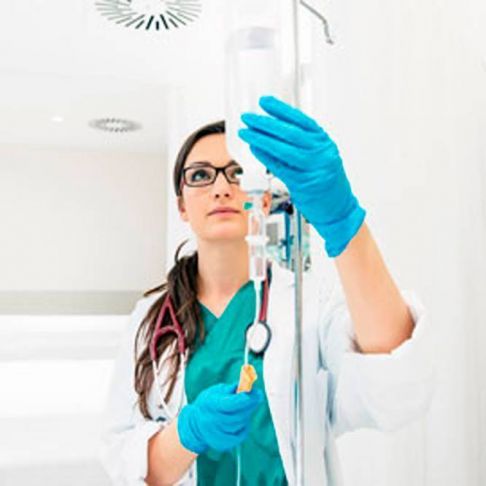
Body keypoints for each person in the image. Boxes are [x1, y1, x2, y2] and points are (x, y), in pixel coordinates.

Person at [98, 95, 436, 486]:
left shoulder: (307, 302)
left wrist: (345, 223)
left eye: (238, 173)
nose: (221, 188)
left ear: (262, 198)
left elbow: (397, 391)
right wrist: (187, 432)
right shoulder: (151, 318)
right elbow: (126, 463)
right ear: (182, 207)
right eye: (201, 175)